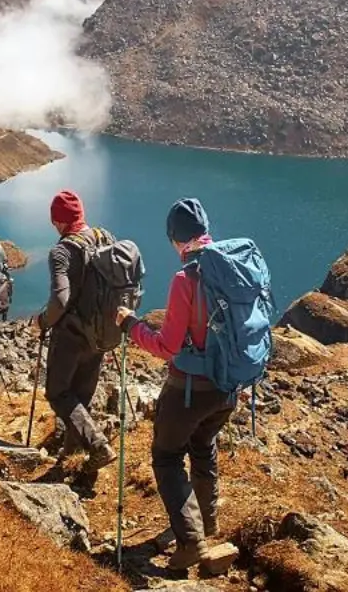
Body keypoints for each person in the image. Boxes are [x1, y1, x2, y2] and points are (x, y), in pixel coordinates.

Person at [116, 198, 234, 572]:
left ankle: (190, 542)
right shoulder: (232, 266)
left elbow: (167, 346)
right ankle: (207, 520)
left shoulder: (187, 279)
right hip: (229, 387)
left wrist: (131, 326)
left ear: (174, 239)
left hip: (191, 389)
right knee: (203, 444)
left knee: (166, 456)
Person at [35, 190, 118, 473]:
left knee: (58, 393)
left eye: (54, 221)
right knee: (80, 398)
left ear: (59, 221)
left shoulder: (62, 251)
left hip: (72, 336)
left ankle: (98, 446)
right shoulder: (104, 237)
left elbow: (60, 299)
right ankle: (71, 459)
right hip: (101, 335)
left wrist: (43, 321)